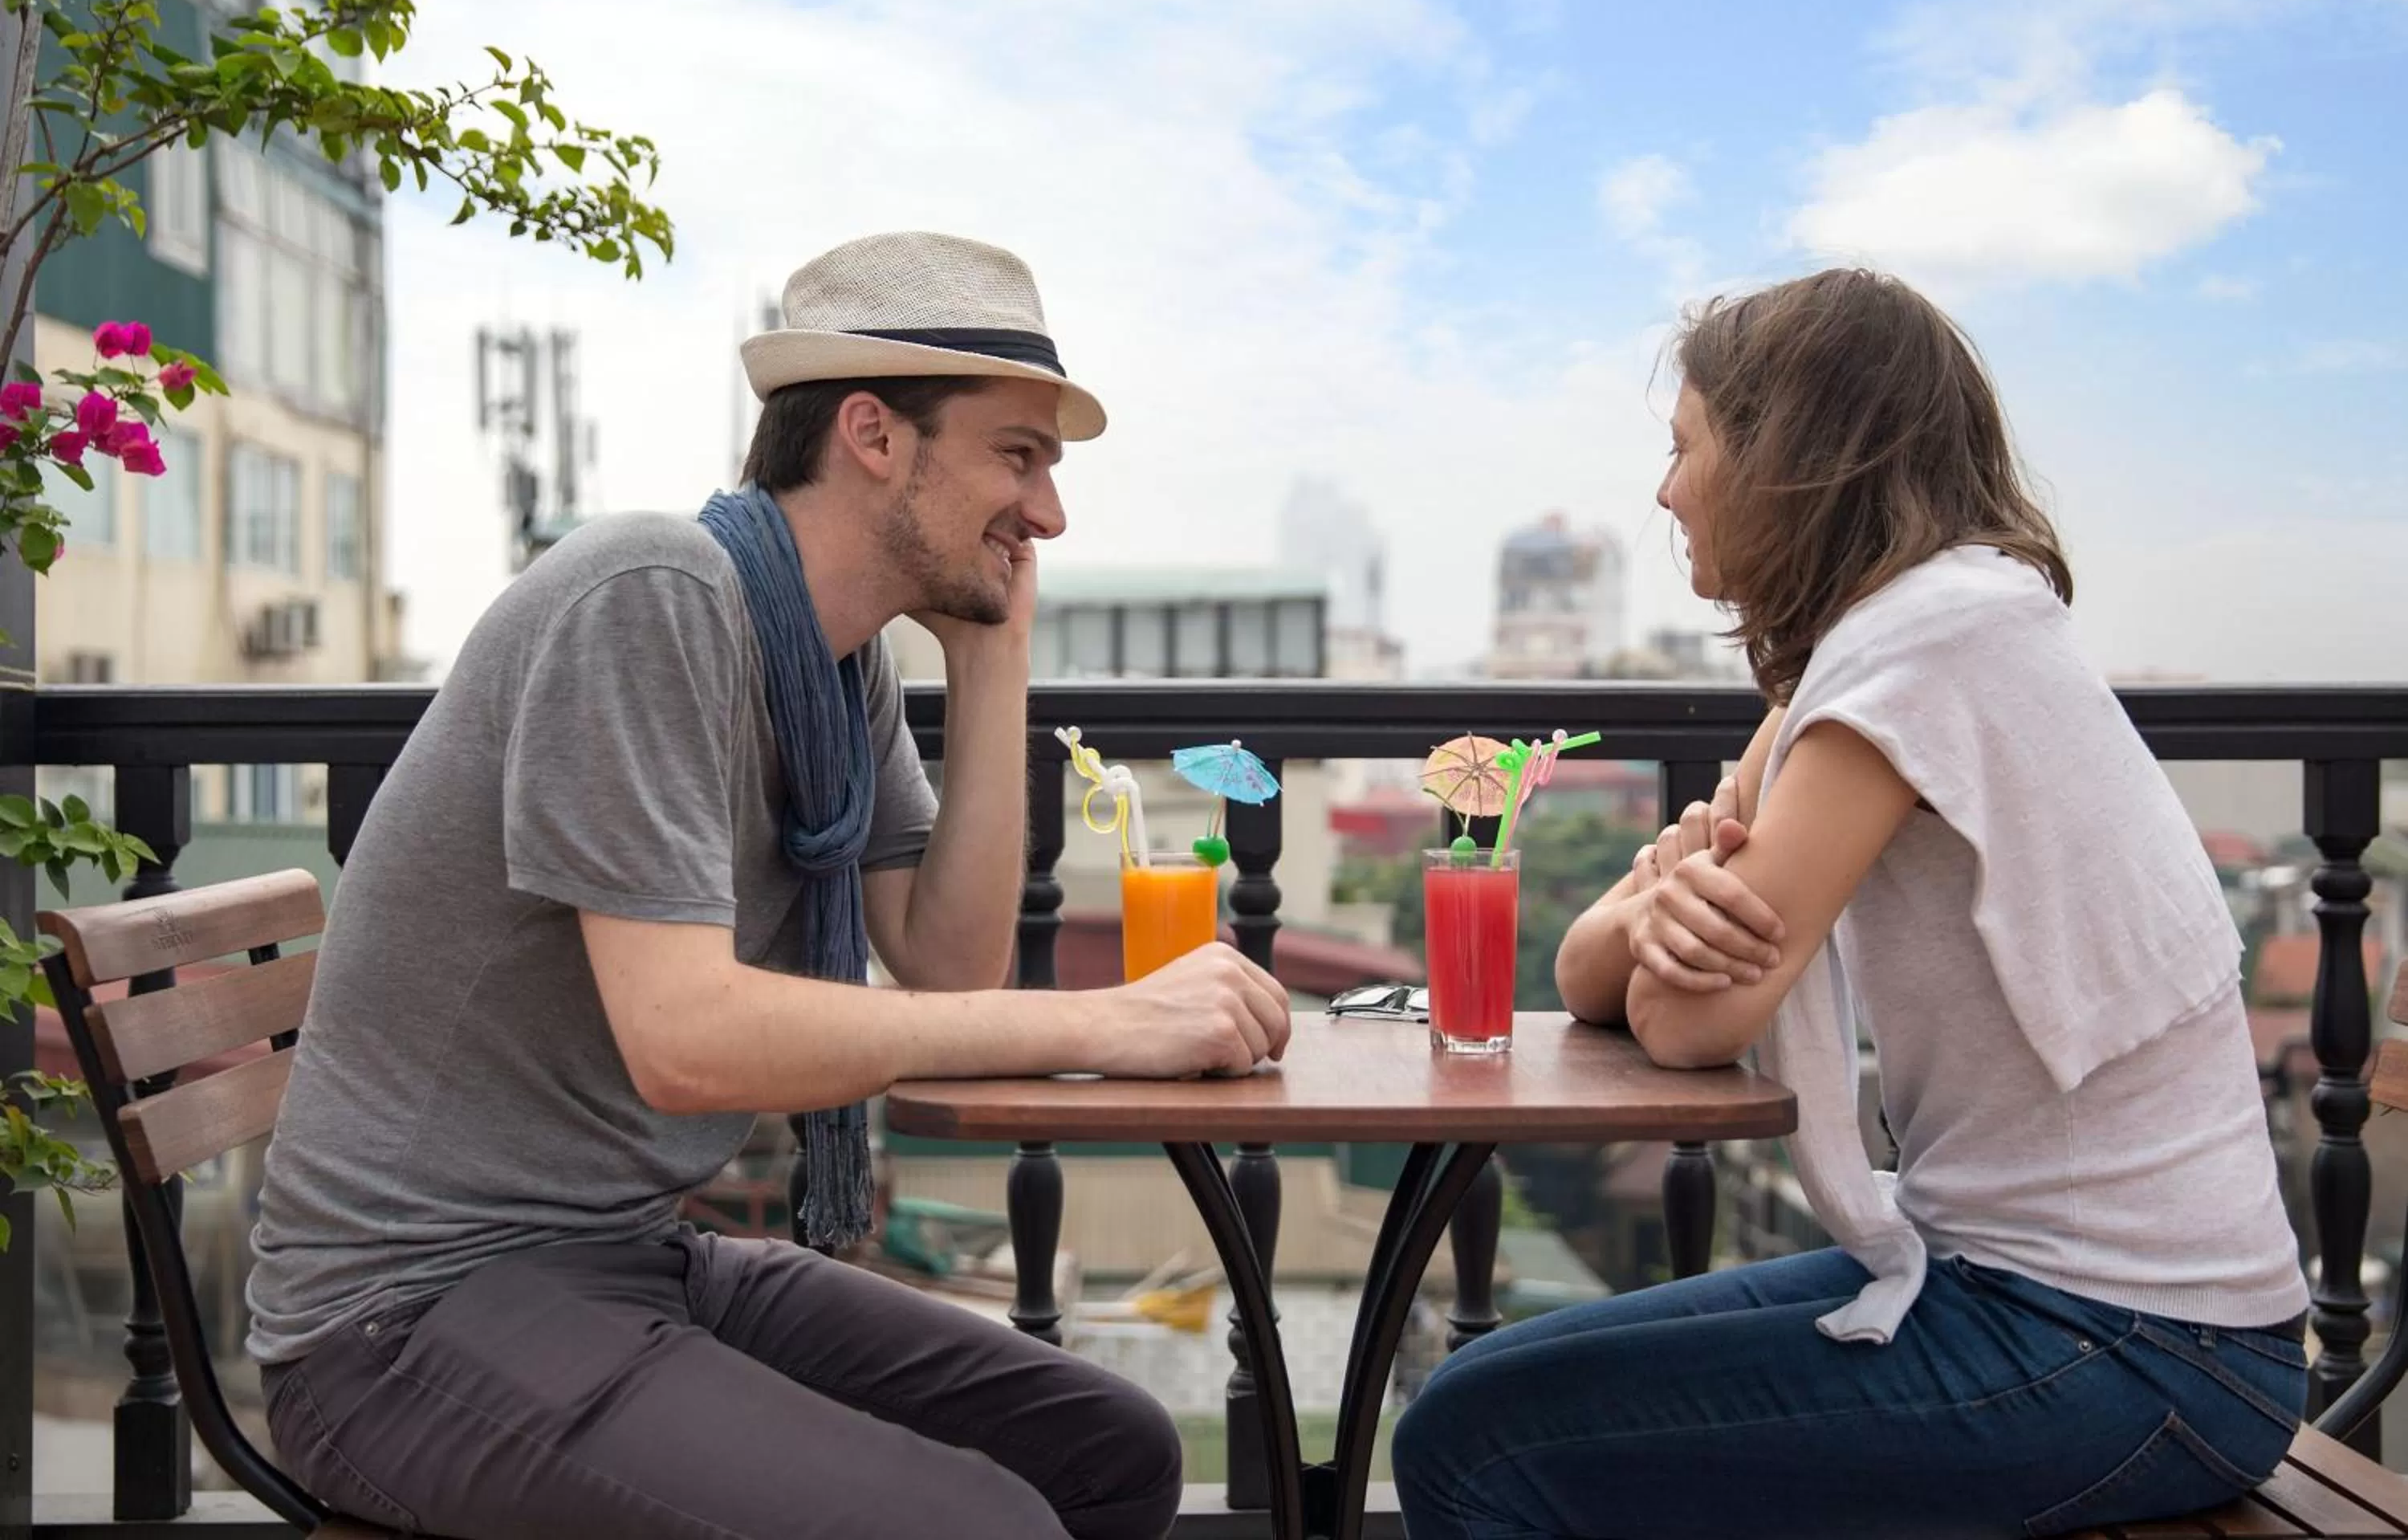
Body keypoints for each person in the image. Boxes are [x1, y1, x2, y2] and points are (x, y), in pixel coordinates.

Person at [245, 231, 1292, 1540]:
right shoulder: (651, 598)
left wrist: (990, 663)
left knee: (1111, 1453)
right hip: (403, 1316)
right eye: (1018, 460)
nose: (1049, 515)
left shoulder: (833, 664)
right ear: (874, 434)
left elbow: (948, 959)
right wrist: (1106, 1018)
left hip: (624, 1257)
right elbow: (687, 1042)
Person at [1393, 269, 2308, 1540]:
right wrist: (1663, 905)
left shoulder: (1928, 646)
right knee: (1480, 1387)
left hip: (2138, 1342)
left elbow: (1688, 1022)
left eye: (1685, 448)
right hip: (2029, 1292)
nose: (1664, 493)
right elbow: (1597, 975)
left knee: (1476, 1443)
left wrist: (1671, 923)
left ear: (1788, 457)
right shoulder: (1866, 658)